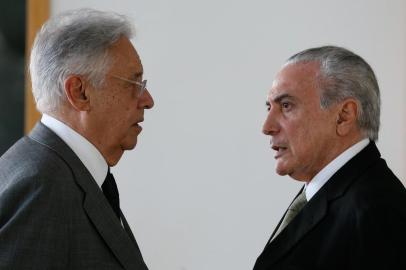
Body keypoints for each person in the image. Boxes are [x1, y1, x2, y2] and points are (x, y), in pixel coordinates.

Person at [0, 9, 154, 269]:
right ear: (79, 92)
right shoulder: (41, 187)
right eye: (133, 83)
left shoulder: (59, 172)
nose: (148, 100)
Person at [253, 46, 406, 270]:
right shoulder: (331, 194)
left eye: (286, 106)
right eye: (269, 107)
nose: (267, 127)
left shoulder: (376, 213)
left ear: (344, 116)